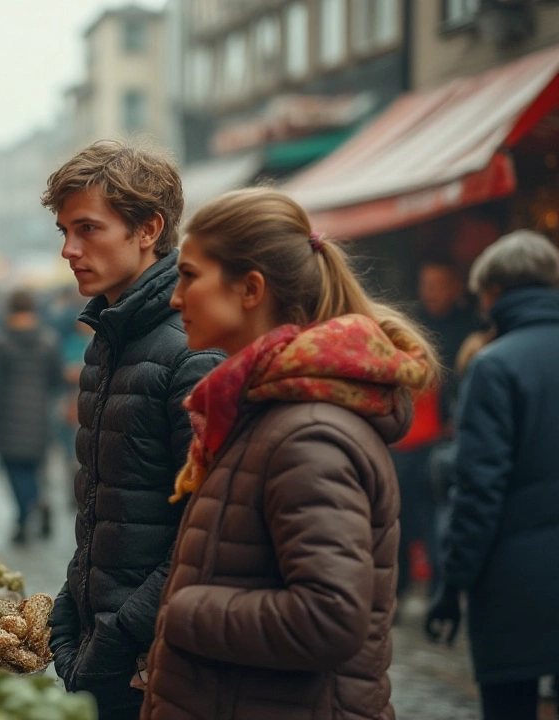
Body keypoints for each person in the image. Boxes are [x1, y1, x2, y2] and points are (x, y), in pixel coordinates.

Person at [141, 188, 435, 719]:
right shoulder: (266, 411)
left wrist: (183, 609)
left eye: (189, 275)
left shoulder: (308, 434)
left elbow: (327, 619)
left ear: (250, 288)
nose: (175, 297)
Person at [42, 140, 223, 719]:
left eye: (88, 229)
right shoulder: (107, 339)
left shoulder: (190, 350)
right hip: (108, 639)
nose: (70, 249)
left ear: (148, 228)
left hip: (152, 656)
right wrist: (75, 600)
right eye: (64, 231)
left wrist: (123, 632)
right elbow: (105, 495)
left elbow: (207, 526)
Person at [425, 230, 559, 720]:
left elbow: (479, 490)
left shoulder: (493, 366)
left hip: (513, 583)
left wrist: (451, 586)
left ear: (495, 292)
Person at [391, 261, 483, 602]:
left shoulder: (468, 327)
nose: (430, 291)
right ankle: (399, 590)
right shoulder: (410, 324)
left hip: (437, 440)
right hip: (404, 441)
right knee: (399, 518)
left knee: (434, 516)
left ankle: (437, 589)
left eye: (438, 284)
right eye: (425, 284)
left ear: (454, 287)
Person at [0, 289, 64, 544]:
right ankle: (38, 501)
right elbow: (56, 378)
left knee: (14, 470)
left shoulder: (0, 341)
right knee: (35, 467)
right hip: (39, 413)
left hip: (8, 414)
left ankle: (26, 513)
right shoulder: (49, 339)